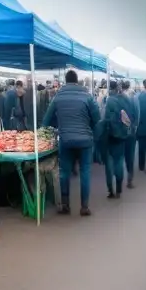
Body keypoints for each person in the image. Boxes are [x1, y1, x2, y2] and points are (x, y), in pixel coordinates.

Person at [41, 70, 101, 215]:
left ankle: (66, 205)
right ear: (77, 81)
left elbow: (46, 121)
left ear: (65, 81)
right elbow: (97, 119)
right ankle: (84, 207)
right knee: (85, 172)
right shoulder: (87, 96)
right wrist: (92, 133)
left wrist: (57, 127)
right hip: (85, 141)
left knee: (64, 172)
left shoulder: (58, 97)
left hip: (66, 140)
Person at [103, 81, 134, 198]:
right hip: (121, 135)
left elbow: (104, 119)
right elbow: (130, 117)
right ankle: (119, 189)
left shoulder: (108, 100)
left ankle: (110, 190)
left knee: (109, 164)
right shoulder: (125, 100)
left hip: (109, 136)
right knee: (119, 161)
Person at [122, 79, 138, 188]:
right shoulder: (134, 97)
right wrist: (135, 126)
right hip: (131, 130)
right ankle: (129, 179)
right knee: (130, 156)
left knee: (119, 156)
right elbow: (137, 113)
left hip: (120, 130)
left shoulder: (118, 97)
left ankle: (118, 180)